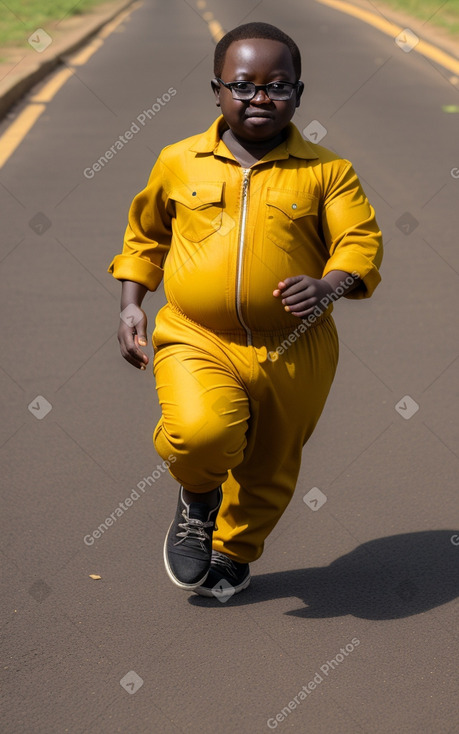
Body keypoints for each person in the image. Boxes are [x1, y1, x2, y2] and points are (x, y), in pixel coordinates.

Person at [107, 22, 383, 599]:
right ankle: (198, 496)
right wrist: (133, 302)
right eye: (243, 84)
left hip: (296, 344)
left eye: (278, 86)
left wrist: (331, 282)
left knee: (269, 467)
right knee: (201, 433)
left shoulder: (328, 171)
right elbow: (145, 236)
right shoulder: (179, 161)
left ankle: (234, 553)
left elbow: (360, 241)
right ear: (217, 90)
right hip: (196, 333)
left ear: (299, 94)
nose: (261, 97)